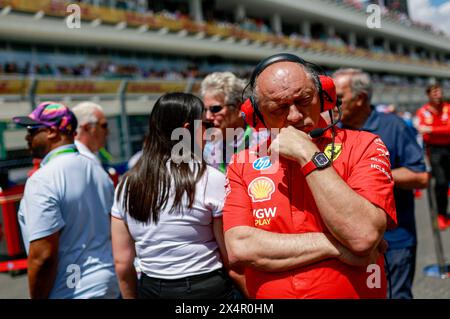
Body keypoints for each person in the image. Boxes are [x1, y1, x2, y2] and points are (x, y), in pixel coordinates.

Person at [223, 54, 397, 299]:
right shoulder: (242, 163)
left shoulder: (365, 145)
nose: (294, 116)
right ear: (257, 115)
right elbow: (241, 247)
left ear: (325, 96)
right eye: (279, 107)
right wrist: (335, 246)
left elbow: (362, 235)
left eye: (304, 100)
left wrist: (308, 153)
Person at [111, 92, 246, 299]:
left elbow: (122, 263)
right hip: (206, 287)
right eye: (204, 125)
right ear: (186, 130)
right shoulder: (210, 178)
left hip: (151, 287)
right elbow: (231, 257)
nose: (207, 134)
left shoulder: (126, 184)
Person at [333, 68, 429, 299]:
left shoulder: (394, 126)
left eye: (338, 98)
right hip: (348, 243)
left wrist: (372, 174)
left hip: (394, 241)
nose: (332, 105)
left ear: (360, 99)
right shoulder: (334, 132)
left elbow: (420, 176)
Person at [13, 101, 119, 299]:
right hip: (107, 283)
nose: (27, 137)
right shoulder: (98, 172)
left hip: (71, 289)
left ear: (53, 132)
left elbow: (43, 256)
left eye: (32, 130)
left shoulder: (42, 179)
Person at [200, 71, 268, 173]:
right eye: (205, 110)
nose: (208, 116)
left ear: (239, 107)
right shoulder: (208, 149)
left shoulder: (264, 142)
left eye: (215, 109)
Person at [416, 83, 450, 230]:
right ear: (428, 94)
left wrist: (431, 129)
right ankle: (441, 214)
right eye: (434, 92)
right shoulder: (423, 111)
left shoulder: (448, 108)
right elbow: (421, 129)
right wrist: (439, 130)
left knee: (446, 181)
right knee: (441, 182)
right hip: (434, 150)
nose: (438, 94)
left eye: (439, 91)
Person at [71, 101, 109, 166]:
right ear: (87, 128)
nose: (108, 132)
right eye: (104, 126)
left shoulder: (71, 153)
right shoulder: (86, 159)